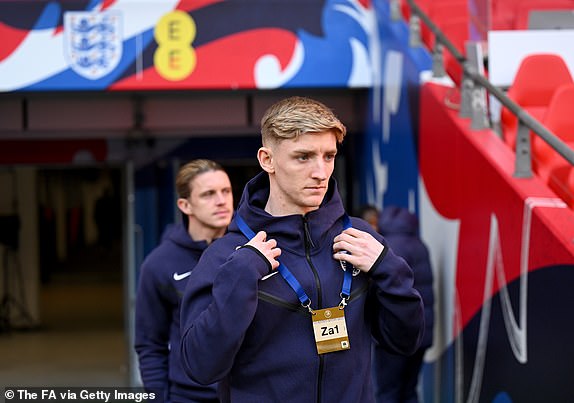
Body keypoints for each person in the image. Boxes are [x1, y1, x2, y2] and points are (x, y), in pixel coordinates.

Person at [179, 96, 424, 402]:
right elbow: (200, 366)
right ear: (267, 160)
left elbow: (405, 341)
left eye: (329, 156)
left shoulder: (361, 239)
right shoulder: (228, 254)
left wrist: (388, 266)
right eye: (304, 157)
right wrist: (241, 274)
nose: (321, 172)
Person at [135, 159, 234, 403]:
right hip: (188, 395)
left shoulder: (253, 249)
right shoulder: (159, 264)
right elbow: (150, 345)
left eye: (226, 191)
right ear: (185, 205)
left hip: (246, 392)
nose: (221, 201)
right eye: (209, 194)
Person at [372, 205, 435, 403]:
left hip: (395, 334)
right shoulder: (420, 244)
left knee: (388, 391)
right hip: (421, 333)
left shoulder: (388, 248)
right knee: (409, 390)